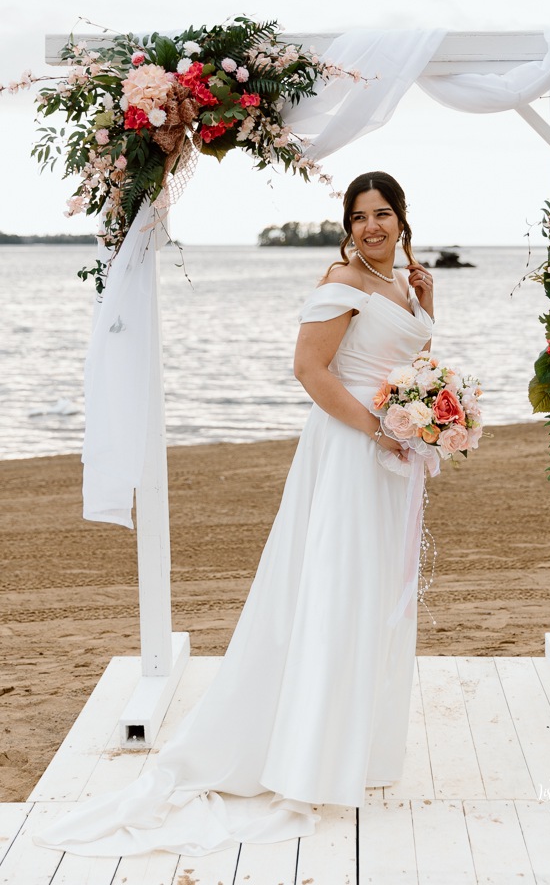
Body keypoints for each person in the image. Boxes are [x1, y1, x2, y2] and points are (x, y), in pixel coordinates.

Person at [34, 171, 435, 857]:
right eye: (359, 216)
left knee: (373, 596)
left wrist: (426, 336)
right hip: (350, 452)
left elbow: (413, 363)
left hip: (391, 459)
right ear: (348, 225)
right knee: (337, 592)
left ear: (401, 218)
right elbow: (310, 371)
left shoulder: (405, 283)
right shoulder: (341, 281)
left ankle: (357, 744)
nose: (371, 226)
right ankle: (308, 755)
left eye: (382, 214)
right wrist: (379, 431)